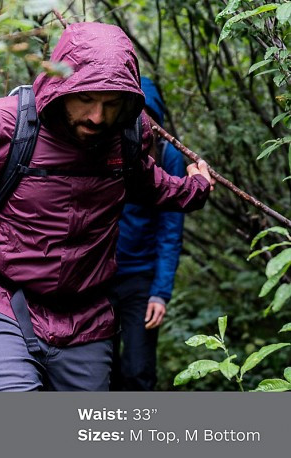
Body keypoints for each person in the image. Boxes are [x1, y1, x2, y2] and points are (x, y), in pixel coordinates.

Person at [0, 22, 213, 392]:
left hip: (88, 319)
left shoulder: (129, 135)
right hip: (5, 302)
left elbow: (152, 187)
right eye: (86, 99)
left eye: (111, 104)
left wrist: (197, 188)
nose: (97, 117)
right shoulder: (4, 125)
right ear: (62, 86)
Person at [110, 77, 185, 391]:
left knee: (138, 369)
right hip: (96, 278)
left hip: (140, 279)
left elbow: (170, 230)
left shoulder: (168, 156)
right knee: (100, 369)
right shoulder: (106, 148)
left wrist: (160, 292)